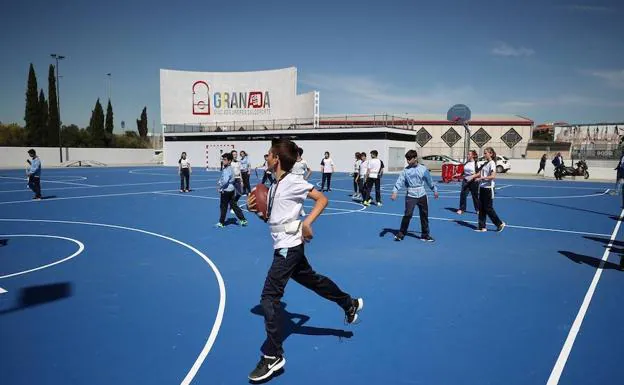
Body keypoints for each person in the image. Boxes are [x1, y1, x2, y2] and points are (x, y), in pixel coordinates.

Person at [246, 139, 363, 382]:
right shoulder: (276, 185)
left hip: (288, 249)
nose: (266, 158)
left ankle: (273, 356)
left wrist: (307, 222)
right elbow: (273, 220)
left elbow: (322, 199)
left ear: (276, 159)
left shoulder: (292, 182)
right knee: (314, 282)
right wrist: (256, 210)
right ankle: (349, 304)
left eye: (268, 154)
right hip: (288, 247)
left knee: (269, 298)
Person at [390, 150, 438, 242]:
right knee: (408, 215)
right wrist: (395, 191)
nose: (407, 161)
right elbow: (400, 181)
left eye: (409, 159)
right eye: (406, 159)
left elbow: (429, 181)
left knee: (424, 215)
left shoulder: (423, 169)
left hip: (422, 195)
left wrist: (434, 190)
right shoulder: (406, 171)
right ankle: (401, 234)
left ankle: (425, 235)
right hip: (411, 195)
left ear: (415, 158)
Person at [474, 147, 505, 232]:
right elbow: (479, 173)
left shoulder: (492, 163)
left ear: (490, 154)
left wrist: (482, 178)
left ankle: (499, 224)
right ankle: (482, 227)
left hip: (488, 188)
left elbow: (493, 176)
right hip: (482, 187)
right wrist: (474, 177)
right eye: (484, 153)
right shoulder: (485, 163)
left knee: (488, 208)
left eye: (485, 153)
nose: (484, 155)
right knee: (481, 208)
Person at [216, 153, 247, 228]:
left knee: (223, 207)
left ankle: (221, 222)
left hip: (226, 190)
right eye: (223, 159)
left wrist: (220, 186)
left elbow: (225, 180)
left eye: (225, 159)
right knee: (234, 205)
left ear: (229, 161)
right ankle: (243, 219)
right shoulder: (231, 168)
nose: (223, 161)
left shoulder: (226, 169)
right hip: (232, 190)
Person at [456, 150, 479, 215]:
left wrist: (472, 177)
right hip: (465, 181)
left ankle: (478, 209)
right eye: (467, 154)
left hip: (473, 181)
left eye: (469, 154)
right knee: (463, 194)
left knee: (475, 196)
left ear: (473, 155)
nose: (467, 155)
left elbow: (478, 173)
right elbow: (464, 172)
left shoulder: (476, 163)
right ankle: (462, 209)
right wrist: (459, 175)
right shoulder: (466, 163)